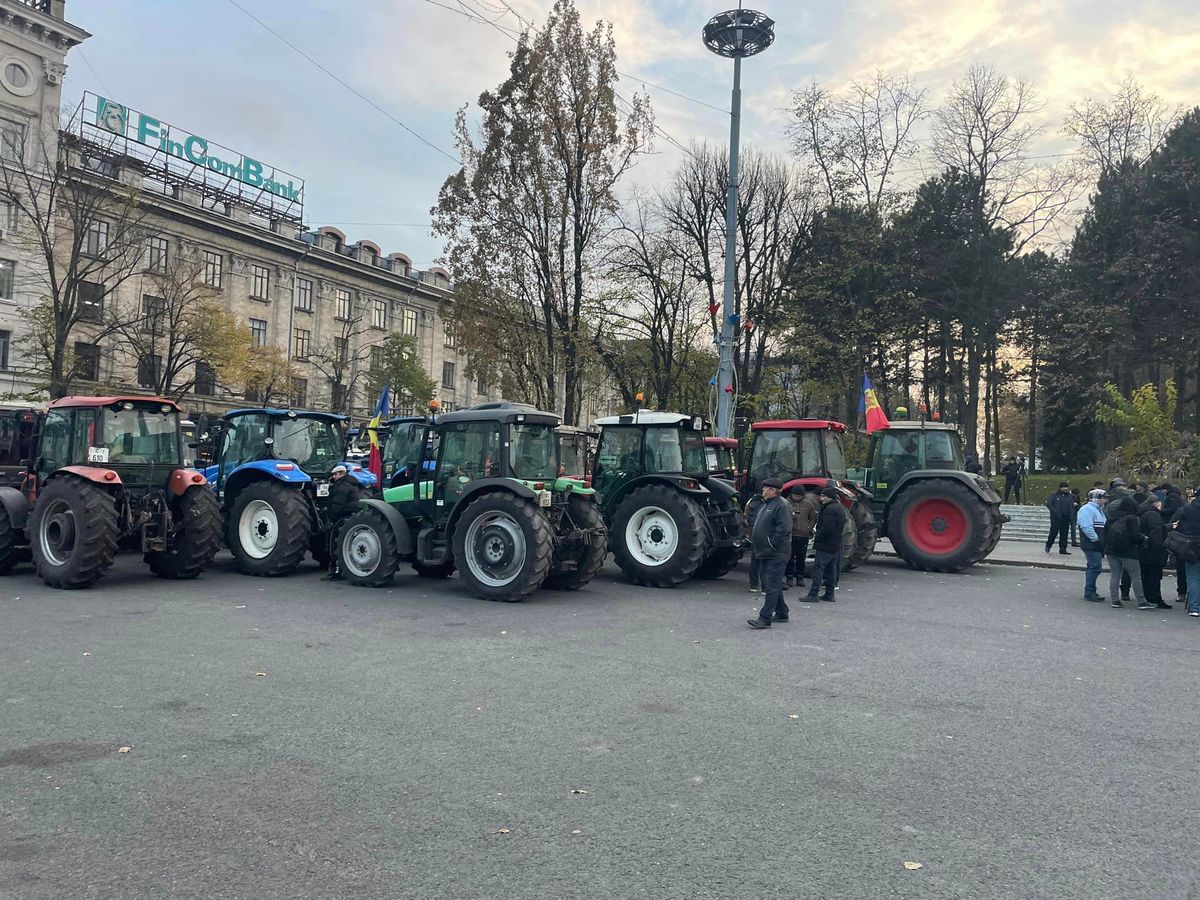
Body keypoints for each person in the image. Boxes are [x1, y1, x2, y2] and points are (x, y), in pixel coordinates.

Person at [747, 478, 793, 629]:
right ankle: (782, 612)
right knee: (772, 583)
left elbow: (783, 529)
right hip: (765, 551)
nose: (762, 490)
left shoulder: (781, 505)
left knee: (771, 584)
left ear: (773, 491)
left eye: (765, 488)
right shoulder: (768, 504)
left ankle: (765, 617)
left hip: (775, 552)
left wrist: (772, 544)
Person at [1104, 478, 1150, 609]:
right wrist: (1143, 538)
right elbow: (1134, 535)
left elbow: (1105, 532)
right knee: (1135, 575)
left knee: (1115, 575)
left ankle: (1115, 600)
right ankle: (1141, 601)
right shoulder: (1132, 518)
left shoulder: (1111, 517)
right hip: (1128, 550)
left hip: (1111, 549)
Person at [802, 487, 847, 603]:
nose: (821, 498)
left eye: (823, 496)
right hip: (835, 544)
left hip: (825, 544)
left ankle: (813, 594)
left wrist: (818, 537)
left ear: (829, 497)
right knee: (831, 570)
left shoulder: (829, 510)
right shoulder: (839, 508)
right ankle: (829, 593)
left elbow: (827, 529)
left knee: (818, 569)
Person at [321, 465, 361, 581]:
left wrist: (331, 520)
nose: (333, 477)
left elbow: (338, 505)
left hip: (341, 518)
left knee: (334, 544)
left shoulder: (341, 487)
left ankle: (335, 572)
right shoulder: (352, 484)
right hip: (350, 517)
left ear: (341, 474)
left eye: (335, 474)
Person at [1169, 487, 1200, 617]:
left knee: (1193, 577)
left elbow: (1174, 523)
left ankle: (1194, 607)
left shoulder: (1186, 508)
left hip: (1191, 545)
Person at [1138, 495, 1170, 609]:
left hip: (1144, 550)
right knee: (1154, 576)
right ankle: (1155, 598)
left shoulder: (1143, 512)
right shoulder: (1153, 514)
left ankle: (1148, 597)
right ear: (1156, 504)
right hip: (1153, 552)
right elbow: (1156, 533)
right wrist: (1160, 549)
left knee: (1146, 575)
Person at [1077, 489, 1107, 602]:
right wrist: (1096, 540)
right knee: (1094, 567)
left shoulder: (1098, 510)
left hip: (1095, 543)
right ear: (1097, 498)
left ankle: (1090, 590)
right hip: (1091, 544)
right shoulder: (1087, 509)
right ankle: (1090, 591)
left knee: (1094, 567)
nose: (1105, 500)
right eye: (1104, 498)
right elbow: (1086, 527)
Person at [786, 484, 818, 588]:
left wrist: (808, 528)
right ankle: (789, 577)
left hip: (803, 535)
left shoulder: (808, 504)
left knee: (801, 557)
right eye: (795, 495)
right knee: (789, 557)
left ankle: (800, 577)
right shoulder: (787, 503)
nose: (796, 498)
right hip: (790, 535)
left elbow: (813, 517)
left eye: (799, 496)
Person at [1161, 483, 1188, 602]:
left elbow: (1174, 522)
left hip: (1183, 542)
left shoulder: (1184, 509)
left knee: (1182, 570)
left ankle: (1182, 593)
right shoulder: (1182, 503)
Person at [1044, 482, 1075, 555]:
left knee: (1064, 534)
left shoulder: (1070, 496)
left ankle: (1063, 549)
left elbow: (1072, 506)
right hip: (1056, 518)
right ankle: (1048, 545)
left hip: (1066, 518)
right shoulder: (1054, 495)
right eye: (1064, 487)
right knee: (1053, 532)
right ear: (1060, 488)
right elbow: (1049, 504)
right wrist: (1054, 512)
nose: (1065, 489)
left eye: (1066, 487)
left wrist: (1071, 514)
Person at [744, 491, 765, 593]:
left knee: (754, 561)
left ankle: (753, 585)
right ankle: (765, 586)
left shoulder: (749, 503)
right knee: (764, 562)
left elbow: (746, 518)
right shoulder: (767, 504)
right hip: (764, 535)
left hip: (754, 534)